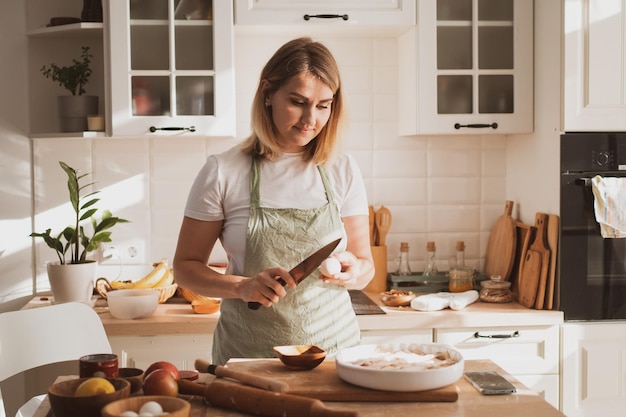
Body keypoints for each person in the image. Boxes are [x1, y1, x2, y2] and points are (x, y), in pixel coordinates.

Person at [173, 37, 374, 365]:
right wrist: (241, 287)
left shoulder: (342, 168)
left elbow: (366, 265)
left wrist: (354, 272)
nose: (311, 119)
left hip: (336, 354)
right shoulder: (223, 171)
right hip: (248, 357)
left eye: (324, 105)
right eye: (298, 101)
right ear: (268, 93)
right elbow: (185, 268)